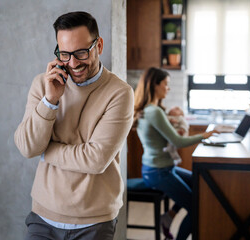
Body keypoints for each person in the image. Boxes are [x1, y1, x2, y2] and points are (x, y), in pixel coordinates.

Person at [14, 11, 134, 240]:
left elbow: (95, 159)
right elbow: (28, 147)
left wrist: (47, 151)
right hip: (43, 217)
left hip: (94, 222)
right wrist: (50, 101)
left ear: (98, 45)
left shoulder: (119, 93)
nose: (73, 63)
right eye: (65, 54)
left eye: (80, 52)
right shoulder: (44, 84)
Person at [133, 67, 219, 240]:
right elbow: (178, 142)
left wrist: (175, 120)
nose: (168, 88)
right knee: (196, 208)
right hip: (158, 172)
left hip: (162, 168)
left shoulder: (153, 110)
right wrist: (204, 135)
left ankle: (169, 216)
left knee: (199, 182)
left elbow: (170, 135)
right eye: (166, 84)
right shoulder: (154, 112)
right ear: (155, 85)